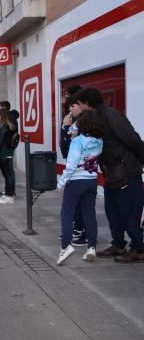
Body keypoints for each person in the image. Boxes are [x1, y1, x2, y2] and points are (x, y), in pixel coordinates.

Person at [76, 88, 144, 263]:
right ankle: (118, 244)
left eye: (80, 103)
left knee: (130, 211)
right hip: (112, 172)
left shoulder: (112, 116)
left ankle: (138, 248)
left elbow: (133, 139)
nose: (79, 107)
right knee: (112, 211)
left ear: (87, 103)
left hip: (125, 171)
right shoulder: (94, 117)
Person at [56, 111, 104, 265]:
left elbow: (70, 166)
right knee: (89, 214)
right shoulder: (99, 141)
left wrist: (61, 183)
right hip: (91, 181)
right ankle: (91, 247)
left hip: (76, 181)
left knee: (67, 213)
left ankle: (65, 247)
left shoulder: (77, 142)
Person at [62, 96, 89, 247]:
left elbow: (69, 148)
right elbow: (64, 148)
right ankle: (79, 230)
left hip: (81, 171)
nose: (70, 110)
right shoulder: (76, 123)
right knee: (78, 203)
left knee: (82, 203)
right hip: (80, 170)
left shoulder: (82, 124)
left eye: (73, 106)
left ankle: (83, 233)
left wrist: (66, 129)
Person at [0, 101, 19, 197]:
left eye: (0, 107)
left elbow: (11, 133)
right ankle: (9, 190)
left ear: (4, 108)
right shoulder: (11, 118)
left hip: (7, 148)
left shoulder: (10, 118)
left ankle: (11, 190)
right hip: (9, 147)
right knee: (9, 170)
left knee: (9, 170)